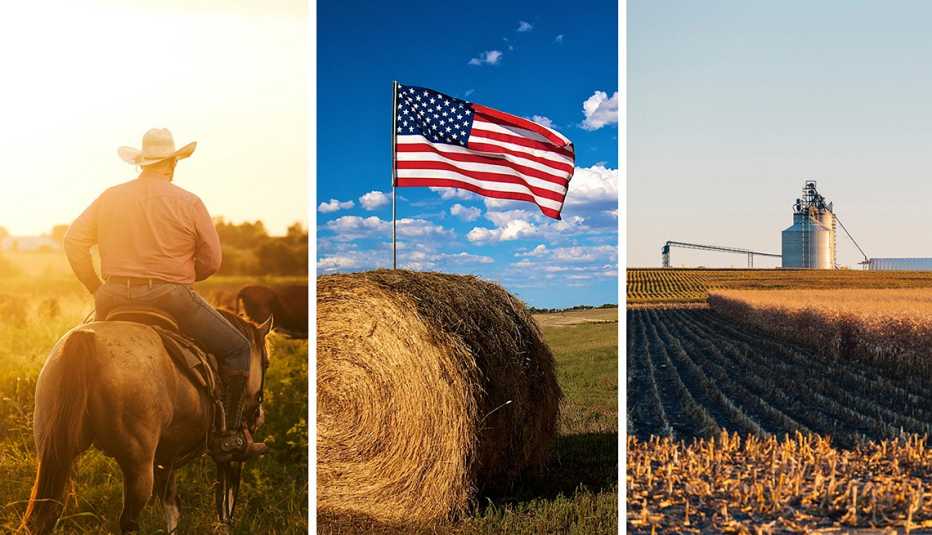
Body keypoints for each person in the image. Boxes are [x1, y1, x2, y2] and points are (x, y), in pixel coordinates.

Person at [63, 128, 267, 462]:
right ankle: (228, 434)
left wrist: (96, 287)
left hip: (112, 295)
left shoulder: (109, 196)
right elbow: (212, 260)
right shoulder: (189, 201)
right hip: (169, 296)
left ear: (141, 163)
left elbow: (73, 240)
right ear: (171, 163)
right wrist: (183, 278)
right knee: (236, 348)